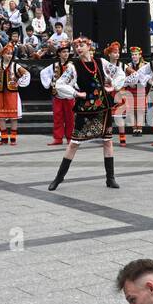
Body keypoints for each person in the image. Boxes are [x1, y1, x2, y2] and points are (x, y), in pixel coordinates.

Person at [47, 37, 126, 190]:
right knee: (74, 143)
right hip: (85, 109)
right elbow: (60, 84)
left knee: (107, 141)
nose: (78, 48)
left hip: (103, 107)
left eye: (81, 45)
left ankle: (110, 178)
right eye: (76, 46)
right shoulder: (73, 66)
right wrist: (76, 93)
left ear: (89, 46)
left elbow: (119, 73)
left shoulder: (101, 62)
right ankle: (59, 178)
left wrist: (113, 86)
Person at [0, 43, 31, 147]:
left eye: (10, 54)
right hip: (1, 94)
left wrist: (18, 82)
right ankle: (4, 138)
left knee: (13, 117)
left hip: (12, 94)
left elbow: (27, 74)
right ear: (2, 55)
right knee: (1, 117)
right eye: (7, 54)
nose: (9, 56)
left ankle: (13, 138)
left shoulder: (15, 65)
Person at [40, 44, 75, 146]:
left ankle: (70, 137)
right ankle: (58, 138)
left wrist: (74, 85)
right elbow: (43, 73)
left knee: (70, 117)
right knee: (57, 117)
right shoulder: (54, 65)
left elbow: (77, 77)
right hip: (57, 95)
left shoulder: (72, 66)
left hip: (69, 95)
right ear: (59, 53)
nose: (66, 54)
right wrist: (49, 83)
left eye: (67, 52)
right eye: (64, 52)